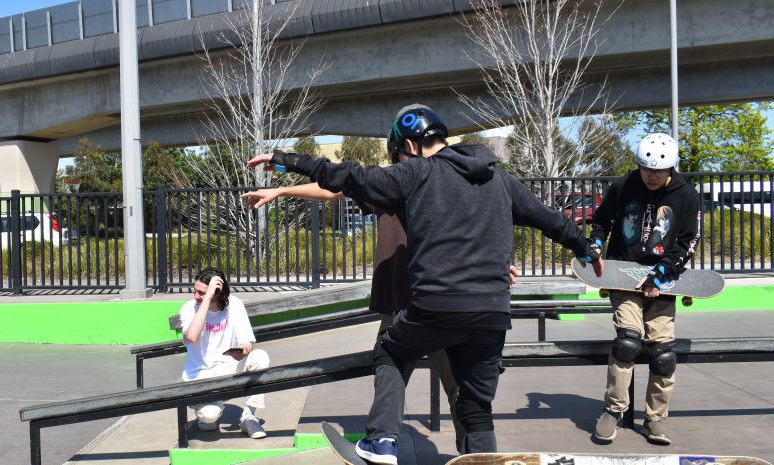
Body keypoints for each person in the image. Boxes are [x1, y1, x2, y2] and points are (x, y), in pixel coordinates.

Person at [248, 104, 602, 464]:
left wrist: (285, 160)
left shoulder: (415, 173)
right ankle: (481, 458)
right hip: (493, 311)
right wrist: (586, 246)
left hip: (435, 306)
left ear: (411, 146)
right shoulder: (499, 179)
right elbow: (550, 218)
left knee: (390, 350)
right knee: (476, 405)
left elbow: (351, 176)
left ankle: (381, 442)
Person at [590, 133, 700, 446]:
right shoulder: (623, 186)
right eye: (645, 170)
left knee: (664, 354)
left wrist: (660, 275)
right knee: (628, 342)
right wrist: (596, 245)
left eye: (658, 172)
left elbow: (688, 240)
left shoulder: (687, 196)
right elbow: (601, 221)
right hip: (623, 277)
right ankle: (613, 410)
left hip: (663, 281)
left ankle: (655, 419)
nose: (651, 177)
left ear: (671, 169)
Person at [179, 267, 270, 439]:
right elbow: (191, 336)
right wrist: (205, 301)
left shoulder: (234, 305)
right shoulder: (188, 308)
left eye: (201, 293)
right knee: (209, 417)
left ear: (218, 294)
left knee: (260, 357)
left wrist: (243, 351)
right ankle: (210, 412)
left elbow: (248, 342)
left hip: (230, 369)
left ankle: (248, 417)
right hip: (200, 377)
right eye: (195, 291)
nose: (196, 296)